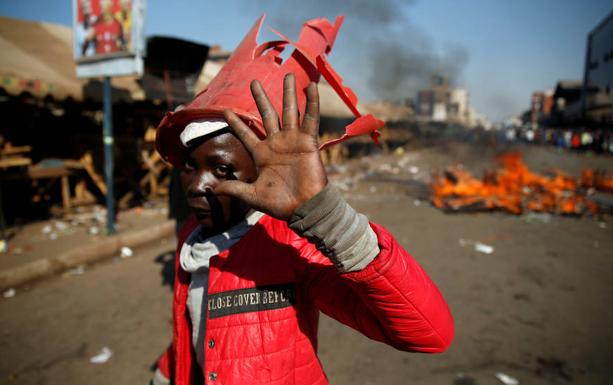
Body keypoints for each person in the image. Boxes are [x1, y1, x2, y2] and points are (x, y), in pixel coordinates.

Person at [152, 16, 453, 385]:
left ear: (261, 175)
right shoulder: (192, 237)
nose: (197, 185)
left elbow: (429, 334)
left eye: (222, 169)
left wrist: (330, 219)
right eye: (189, 166)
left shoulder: (290, 250)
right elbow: (195, 329)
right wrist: (168, 373)